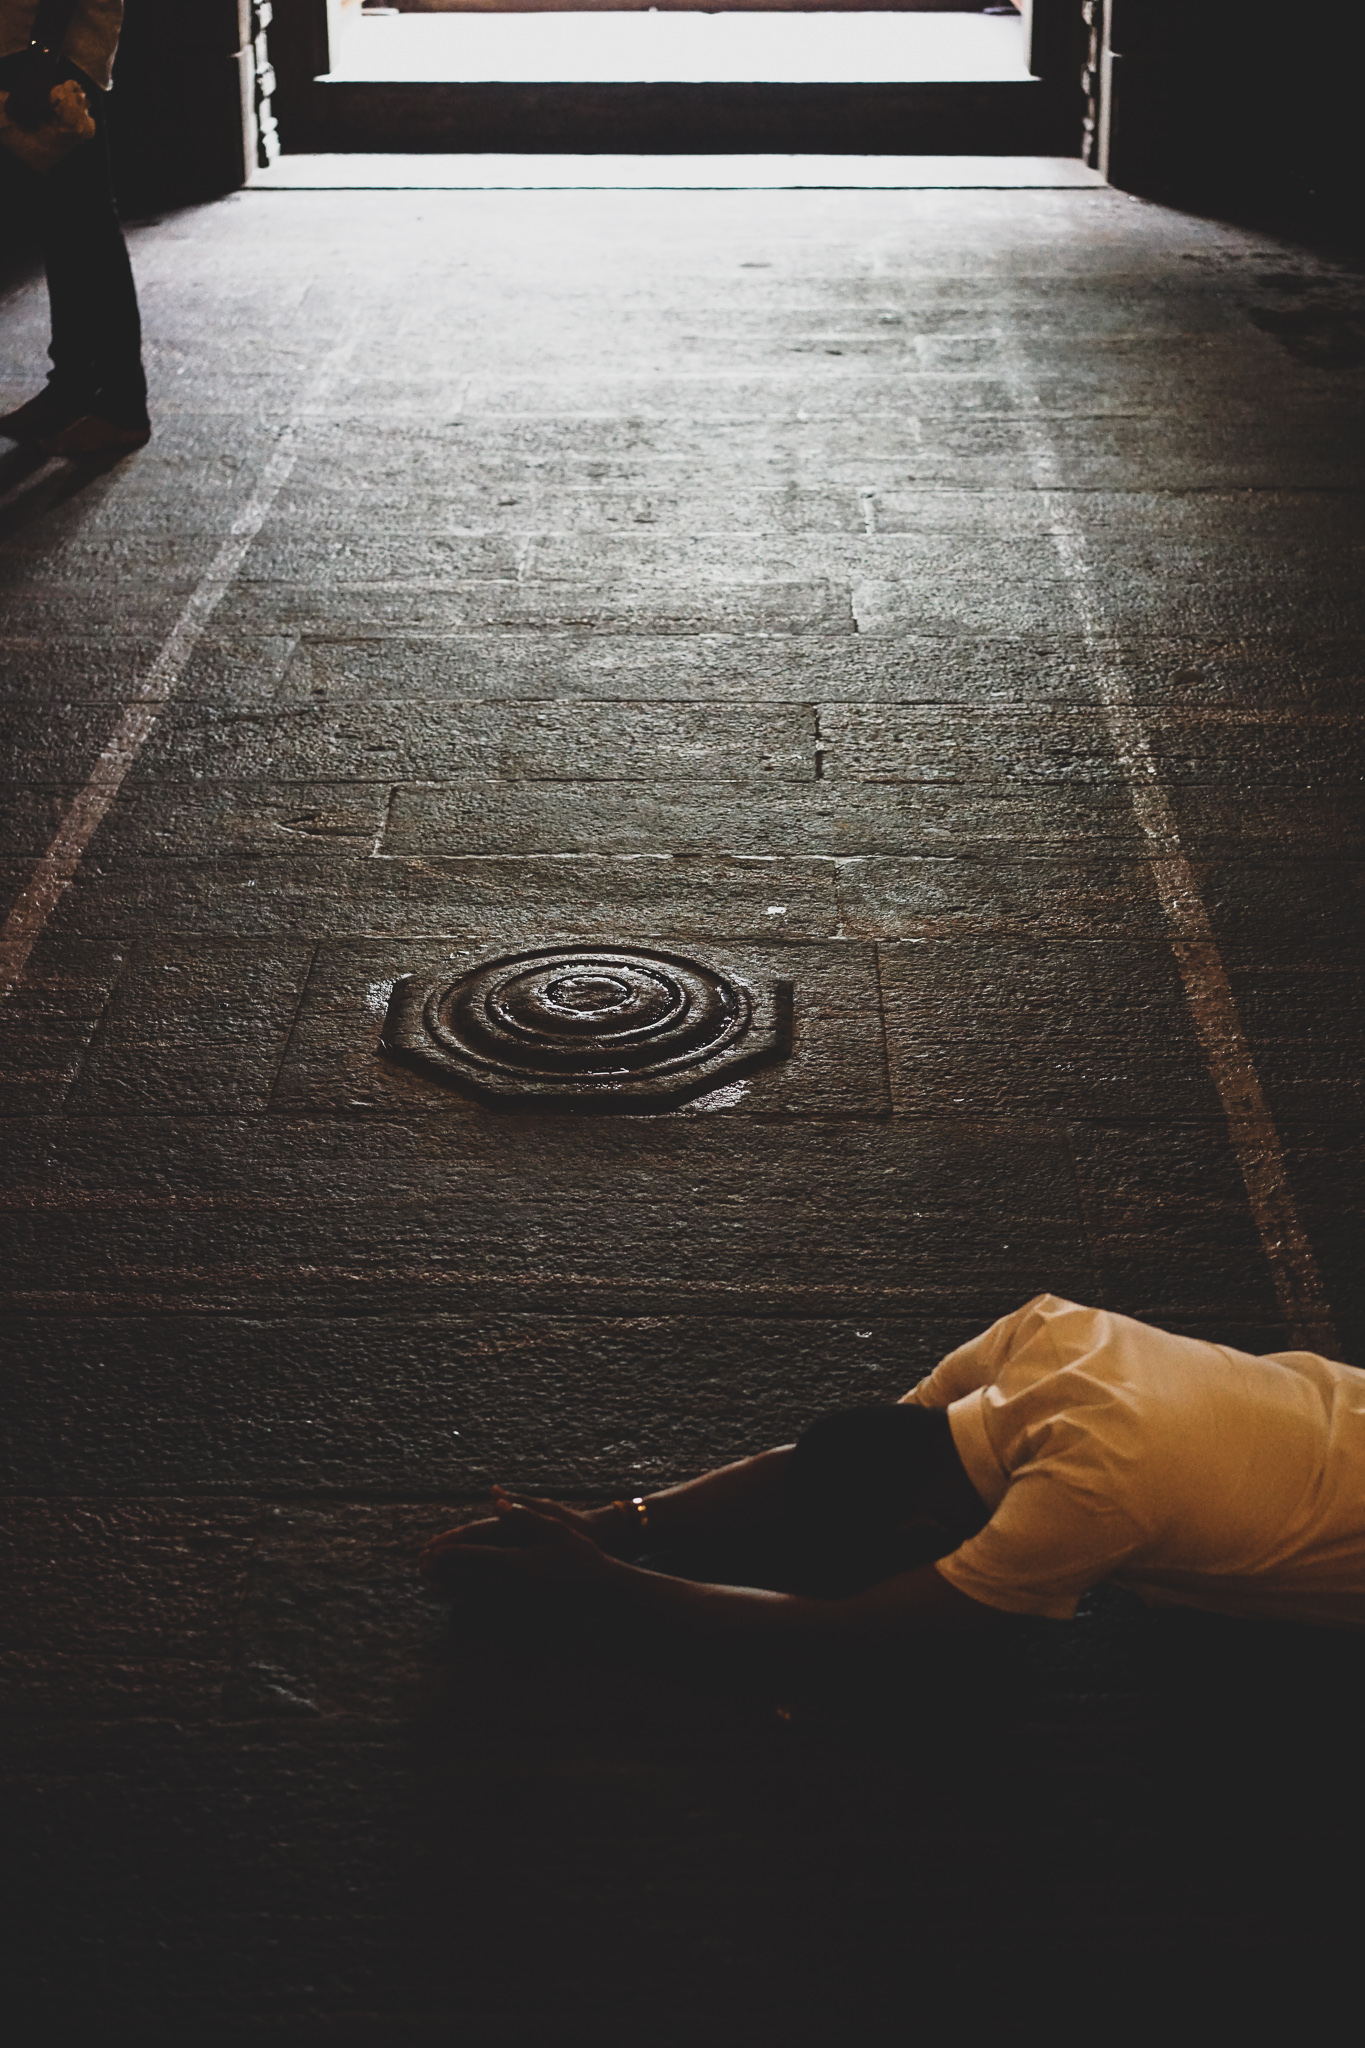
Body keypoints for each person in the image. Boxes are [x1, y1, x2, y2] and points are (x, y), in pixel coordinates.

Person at [420, 1294, 1365, 1649]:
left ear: (921, 1537)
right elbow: (823, 1466)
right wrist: (609, 1524)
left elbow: (838, 1638)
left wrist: (601, 1586)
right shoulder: (1049, 1332)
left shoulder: (1084, 1504)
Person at [0, 0, 150, 457]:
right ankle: (72, 388)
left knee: (88, 227)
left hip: (55, 55)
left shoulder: (46, 57)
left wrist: (43, 55)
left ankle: (124, 407)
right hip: (31, 49)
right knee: (63, 227)